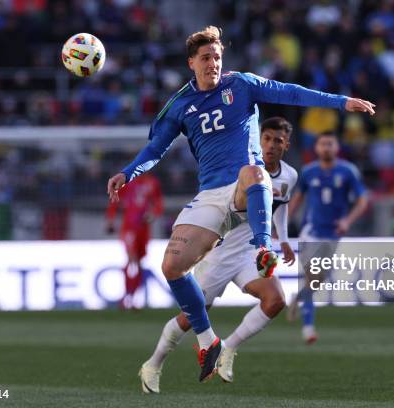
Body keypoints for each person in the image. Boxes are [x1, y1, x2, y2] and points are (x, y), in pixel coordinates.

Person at [107, 26, 374, 382]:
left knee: (255, 172)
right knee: (172, 266)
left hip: (243, 190)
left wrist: (341, 102)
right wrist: (128, 172)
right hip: (210, 196)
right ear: (191, 63)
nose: (213, 63)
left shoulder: (242, 84)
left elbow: (291, 93)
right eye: (206, 58)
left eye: (217, 57)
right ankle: (205, 342)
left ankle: (263, 248)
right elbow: (156, 148)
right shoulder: (180, 105)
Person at [139, 117, 298, 393]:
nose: (271, 145)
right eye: (267, 138)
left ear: (286, 145)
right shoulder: (243, 171)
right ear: (259, 140)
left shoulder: (290, 176)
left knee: (275, 301)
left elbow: (281, 204)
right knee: (190, 317)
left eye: (278, 141)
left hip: (250, 252)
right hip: (220, 253)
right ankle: (153, 364)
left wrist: (282, 238)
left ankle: (228, 348)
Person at [287, 132, 369, 343]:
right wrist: (283, 224)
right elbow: (297, 198)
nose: (326, 148)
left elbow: (362, 201)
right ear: (316, 148)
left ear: (337, 147)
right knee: (312, 277)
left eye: (330, 144)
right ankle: (308, 328)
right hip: (311, 232)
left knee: (316, 282)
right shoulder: (308, 172)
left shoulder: (348, 171)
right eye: (322, 144)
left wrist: (347, 222)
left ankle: (299, 297)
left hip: (333, 234)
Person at [106, 173, 163, 310]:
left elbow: (158, 204)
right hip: (129, 228)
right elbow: (115, 199)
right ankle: (128, 296)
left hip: (143, 229)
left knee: (138, 263)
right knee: (132, 260)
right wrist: (111, 219)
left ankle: (133, 296)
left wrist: (152, 214)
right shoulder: (127, 181)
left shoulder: (152, 182)